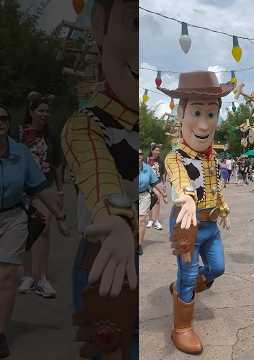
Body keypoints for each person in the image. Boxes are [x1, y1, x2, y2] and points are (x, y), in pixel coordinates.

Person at [61, 0, 140, 357]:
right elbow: (97, 172)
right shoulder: (87, 122)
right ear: (100, 29)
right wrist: (114, 220)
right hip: (103, 255)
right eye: (136, 22)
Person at [160, 71, 232, 354]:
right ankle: (181, 328)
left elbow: (216, 187)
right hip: (186, 224)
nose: (204, 124)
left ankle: (180, 289)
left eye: (210, 114)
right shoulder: (174, 156)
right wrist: (187, 199)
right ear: (181, 114)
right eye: (197, 112)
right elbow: (181, 180)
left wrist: (223, 209)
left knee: (217, 268)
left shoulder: (212, 156)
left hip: (210, 225)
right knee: (189, 275)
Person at [0, 105, 68, 358]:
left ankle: (1, 334)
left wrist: (60, 215)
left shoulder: (20, 152)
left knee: (6, 275)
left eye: (4, 118)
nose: (0, 122)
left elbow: (40, 186)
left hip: (13, 216)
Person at [17, 92, 64, 298]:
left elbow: (58, 165)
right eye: (41, 110)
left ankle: (42, 278)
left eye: (47, 111)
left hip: (44, 187)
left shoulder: (51, 136)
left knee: (44, 228)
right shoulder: (18, 133)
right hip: (20, 189)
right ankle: (27, 275)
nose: (45, 114)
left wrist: (60, 190)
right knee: (25, 230)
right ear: (31, 112)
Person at [138, 149, 164, 256]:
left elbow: (155, 182)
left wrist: (163, 193)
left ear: (142, 156)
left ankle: (139, 244)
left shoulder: (147, 169)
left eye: (140, 154)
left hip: (144, 195)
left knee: (141, 219)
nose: (139, 156)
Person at [147, 143, 167, 230]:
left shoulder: (160, 161)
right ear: (152, 151)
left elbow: (163, 173)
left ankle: (156, 220)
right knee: (149, 201)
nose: (158, 152)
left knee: (158, 199)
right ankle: (150, 220)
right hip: (148, 183)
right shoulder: (146, 160)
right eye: (156, 150)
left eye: (159, 150)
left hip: (157, 183)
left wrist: (164, 183)